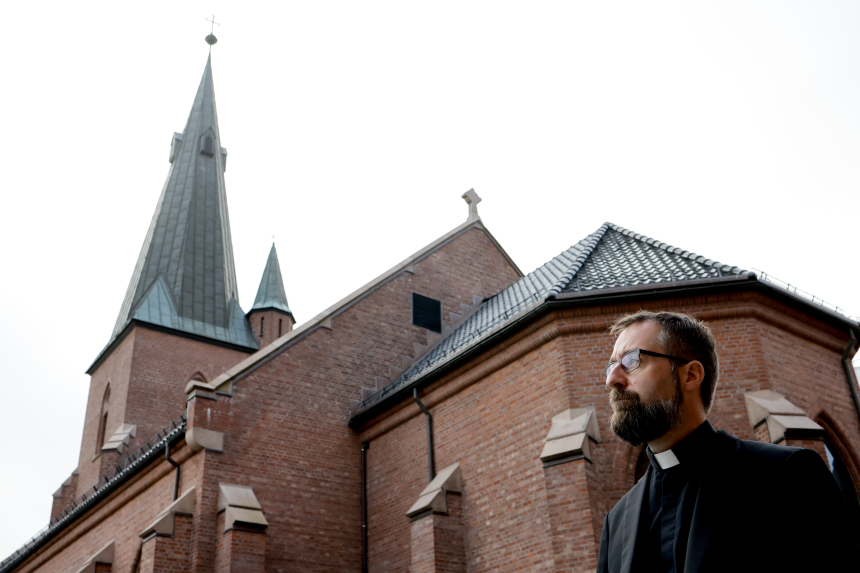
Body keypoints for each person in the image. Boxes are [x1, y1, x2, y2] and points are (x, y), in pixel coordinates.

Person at [596, 310, 859, 573]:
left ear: (690, 375)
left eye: (631, 361)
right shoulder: (616, 523)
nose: (611, 380)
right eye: (611, 366)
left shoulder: (785, 475)